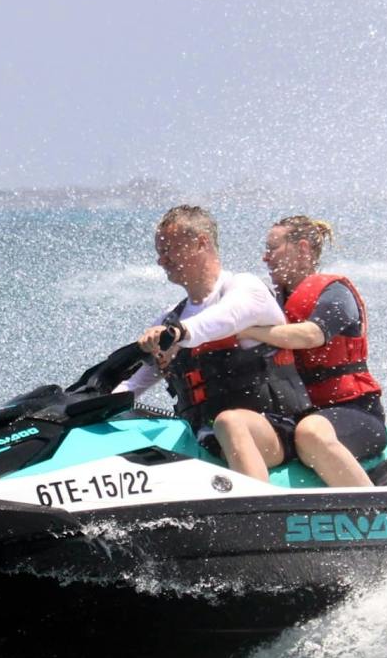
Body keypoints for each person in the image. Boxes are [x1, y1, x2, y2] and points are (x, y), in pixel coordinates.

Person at [118, 205, 312, 479]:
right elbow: (133, 384)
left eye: (168, 249)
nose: (161, 261)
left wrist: (178, 333)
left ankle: (255, 513)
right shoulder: (171, 316)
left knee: (230, 422)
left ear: (201, 243)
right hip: (205, 436)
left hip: (277, 431)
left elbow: (224, 318)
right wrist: (87, 411)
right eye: (159, 252)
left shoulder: (244, 289)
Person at [237, 215, 387, 488]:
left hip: (355, 413)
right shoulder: (271, 303)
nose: (265, 258)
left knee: (311, 433)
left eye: (273, 248)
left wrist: (247, 331)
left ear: (302, 248)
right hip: (294, 417)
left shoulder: (335, 293)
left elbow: (311, 335)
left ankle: (372, 513)